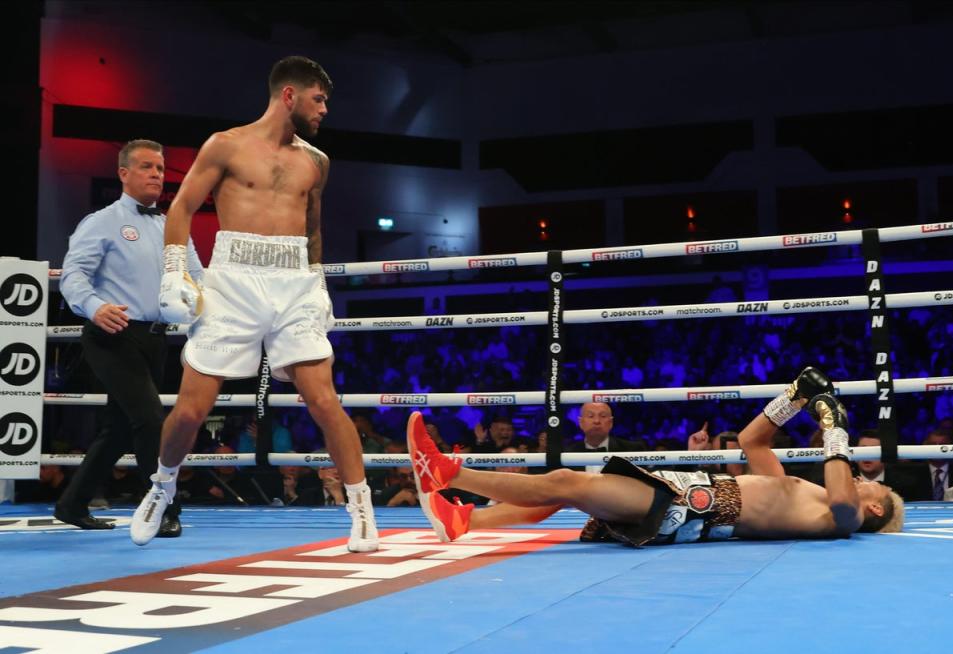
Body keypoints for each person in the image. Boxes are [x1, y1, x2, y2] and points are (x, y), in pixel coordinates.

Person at [130, 56, 378, 550]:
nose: (325, 109)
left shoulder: (316, 161)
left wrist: (318, 281)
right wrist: (174, 271)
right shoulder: (226, 145)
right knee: (189, 410)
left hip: (295, 283)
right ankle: (161, 487)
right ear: (289, 95)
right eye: (319, 98)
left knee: (324, 400)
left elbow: (312, 229)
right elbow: (181, 206)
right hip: (233, 281)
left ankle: (362, 510)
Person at [407, 367, 904, 546]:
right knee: (573, 493)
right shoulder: (808, 496)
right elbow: (754, 443)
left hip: (688, 506)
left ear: (875, 508)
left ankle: (450, 472)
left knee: (567, 482)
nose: (864, 483)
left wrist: (833, 422)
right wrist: (794, 399)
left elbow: (844, 498)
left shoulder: (835, 517)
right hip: (689, 496)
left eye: (874, 489)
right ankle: (466, 522)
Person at [56, 139, 203, 534]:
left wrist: (212, 313)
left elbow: (198, 277)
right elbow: (73, 275)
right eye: (146, 167)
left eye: (160, 167)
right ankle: (164, 510)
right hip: (112, 333)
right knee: (151, 418)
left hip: (156, 339)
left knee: (119, 427)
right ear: (124, 173)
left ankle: (71, 505)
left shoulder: (174, 224)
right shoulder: (101, 221)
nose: (156, 174)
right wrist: (94, 306)